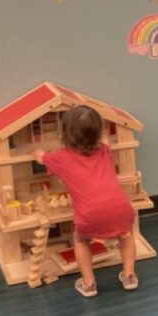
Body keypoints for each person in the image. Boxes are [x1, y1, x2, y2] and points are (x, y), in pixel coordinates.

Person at [34, 105, 138, 297]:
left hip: (90, 214)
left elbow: (41, 158)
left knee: (81, 239)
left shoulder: (59, 158)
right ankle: (129, 275)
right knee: (126, 234)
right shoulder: (105, 150)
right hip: (120, 207)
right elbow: (105, 139)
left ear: (64, 134)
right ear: (98, 132)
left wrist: (37, 152)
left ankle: (89, 283)